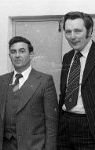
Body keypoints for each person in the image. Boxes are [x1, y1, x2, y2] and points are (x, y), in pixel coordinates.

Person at [0, 36, 58, 150]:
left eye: (22, 51)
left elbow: (51, 124)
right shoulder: (1, 80)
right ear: (9, 55)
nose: (17, 55)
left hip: (34, 146)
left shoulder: (45, 81)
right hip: (5, 145)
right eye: (13, 52)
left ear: (31, 55)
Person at [58, 11, 95, 149]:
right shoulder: (67, 57)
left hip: (89, 125)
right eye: (68, 32)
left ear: (90, 31)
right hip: (64, 124)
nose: (72, 37)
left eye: (77, 31)